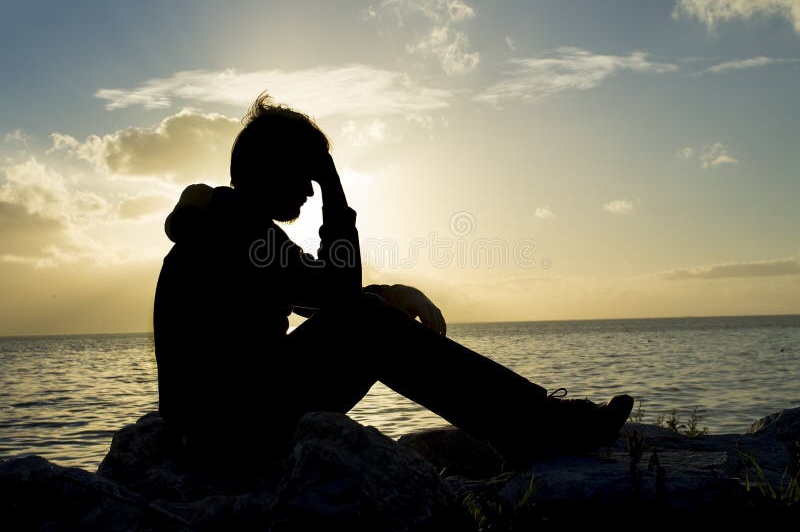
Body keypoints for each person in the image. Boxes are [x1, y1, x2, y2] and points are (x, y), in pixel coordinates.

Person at [153, 93, 633, 467]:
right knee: (361, 319)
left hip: (227, 423)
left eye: (317, 178)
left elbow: (317, 296)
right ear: (276, 167)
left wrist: (390, 294)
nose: (309, 188)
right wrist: (336, 188)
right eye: (308, 174)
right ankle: (537, 426)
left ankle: (533, 423)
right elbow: (339, 297)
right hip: (228, 433)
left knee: (362, 316)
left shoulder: (238, 225)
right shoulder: (232, 225)